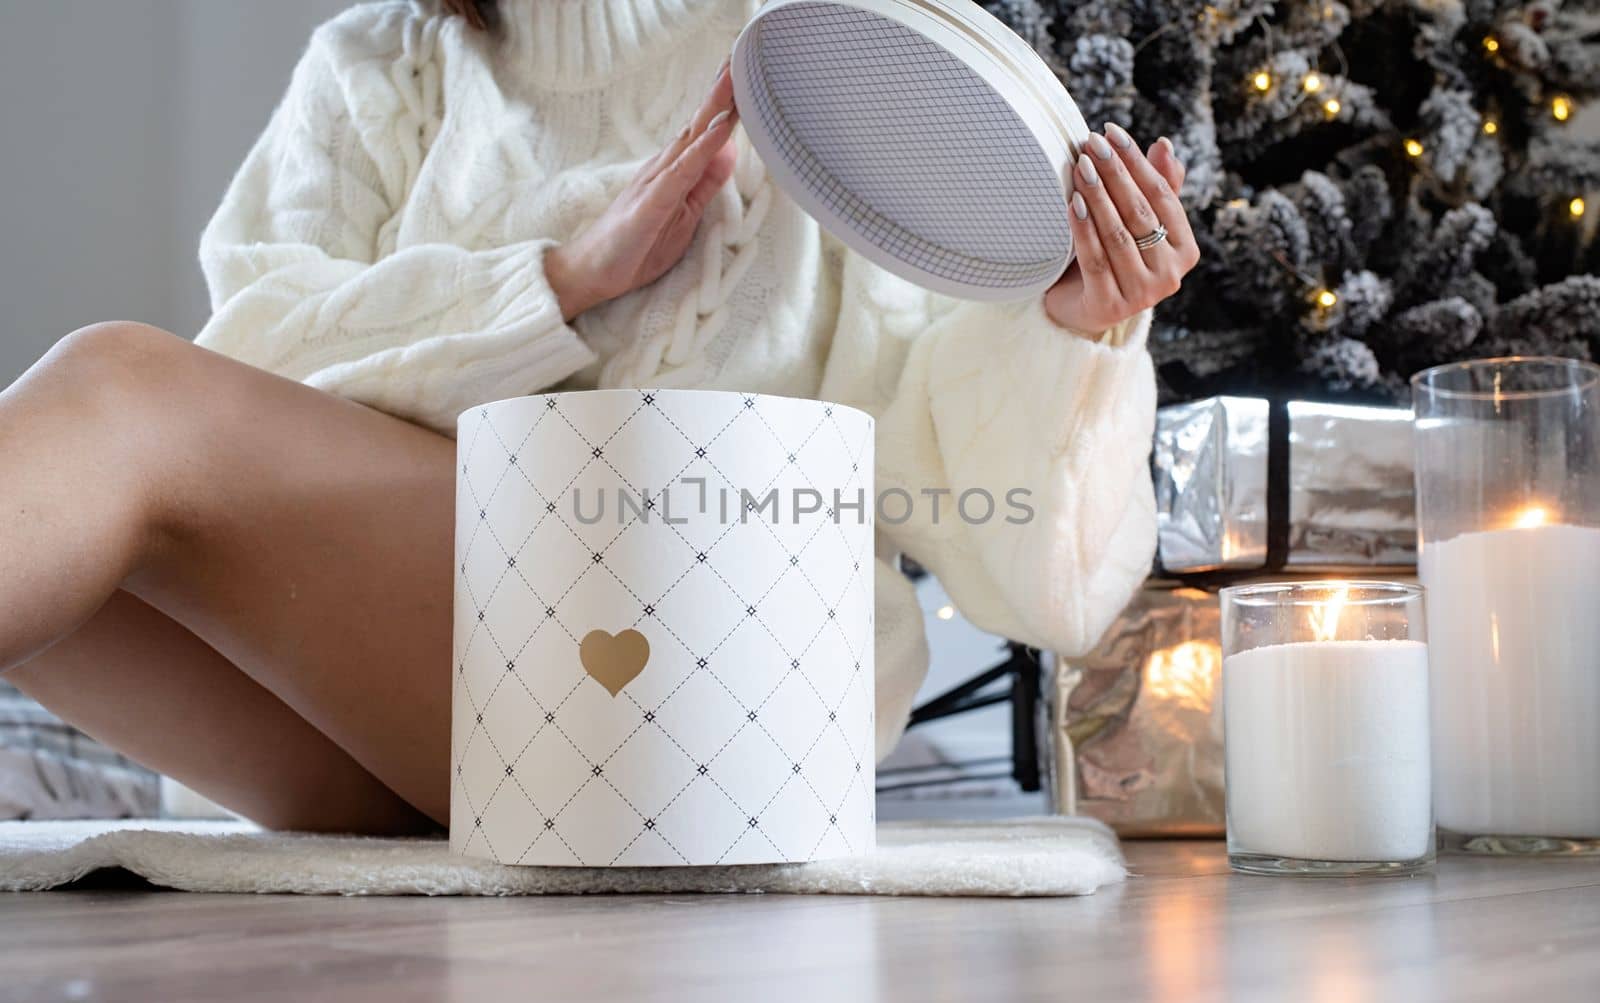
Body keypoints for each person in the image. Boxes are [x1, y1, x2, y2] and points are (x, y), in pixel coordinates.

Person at [0, 0, 1197, 834]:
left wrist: (1070, 330)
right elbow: (246, 372)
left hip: (708, 704)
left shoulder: (833, 56)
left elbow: (1033, 583)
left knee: (112, 392)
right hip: (402, 721)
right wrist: (557, 283)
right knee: (79, 551)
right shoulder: (376, 64)